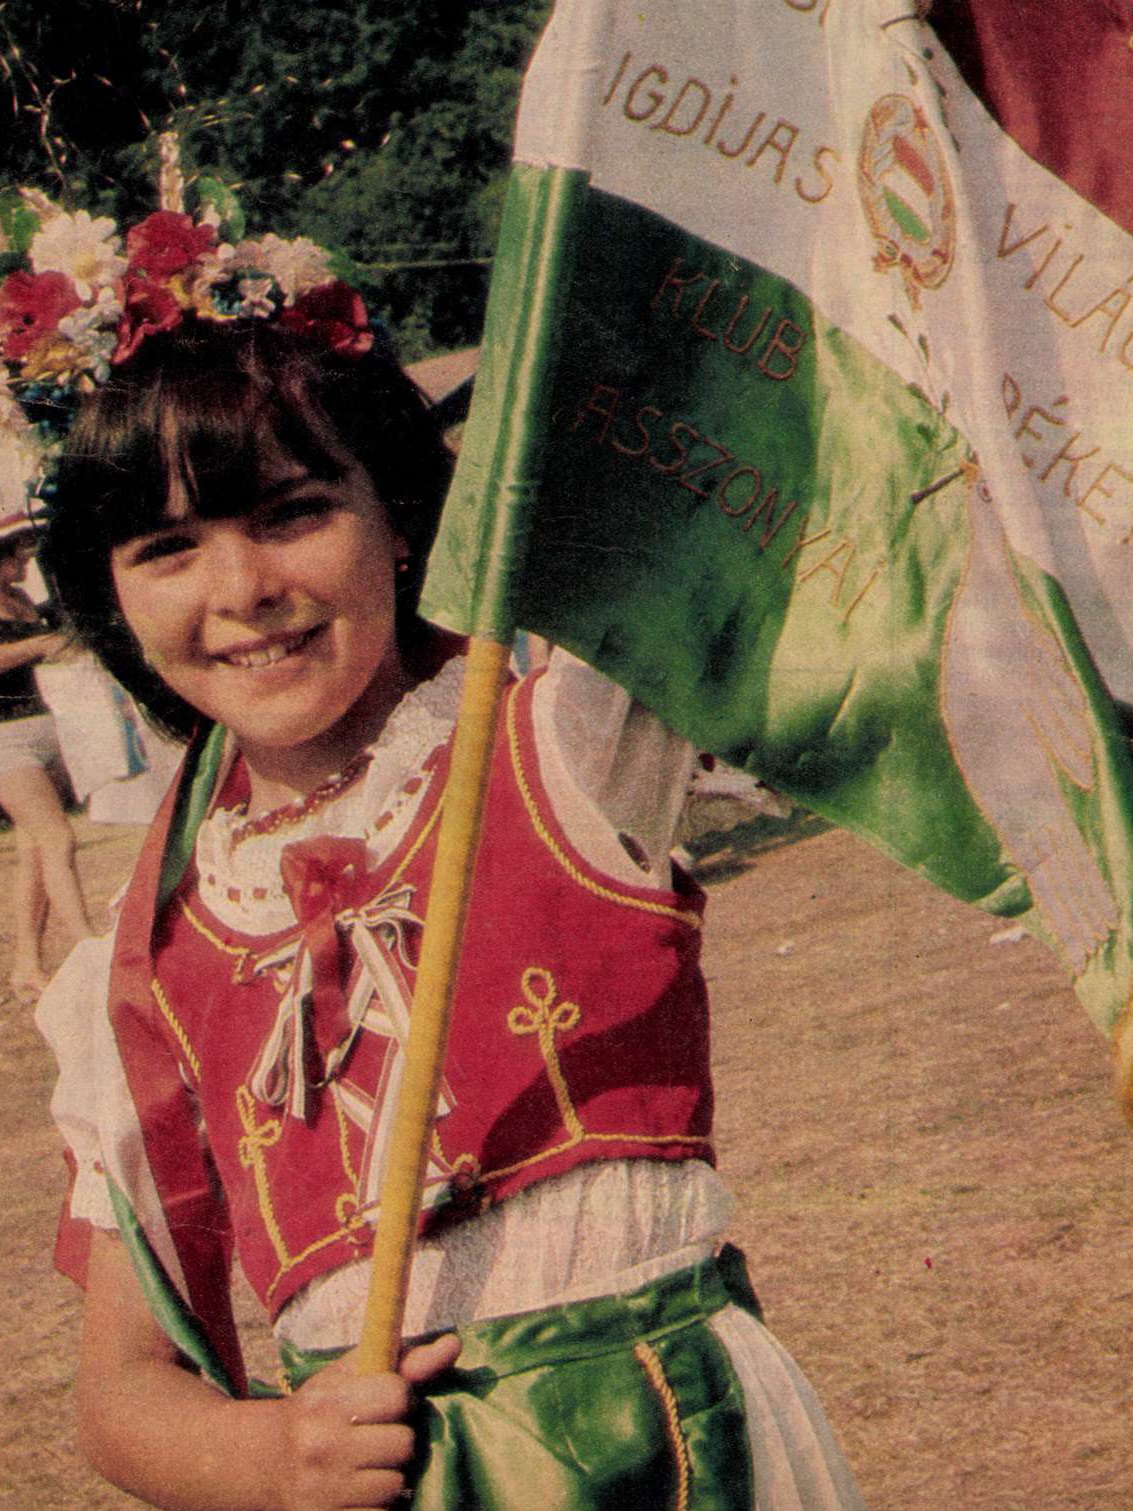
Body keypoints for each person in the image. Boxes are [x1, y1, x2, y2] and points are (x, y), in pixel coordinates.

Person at [22, 206, 863, 1510]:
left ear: (398, 518)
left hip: (672, 1450)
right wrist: (269, 1454)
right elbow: (122, 1388)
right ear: (113, 594)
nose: (240, 586)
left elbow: (724, 448)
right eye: (168, 547)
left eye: (296, 512)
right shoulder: (144, 956)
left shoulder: (560, 738)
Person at [0, 513, 89, 1000]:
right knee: (58, 838)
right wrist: (37, 644)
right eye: (17, 551)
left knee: (33, 853)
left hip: (41, 727)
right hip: (4, 739)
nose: (25, 558)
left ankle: (27, 967)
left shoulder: (20, 600)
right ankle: (88, 948)